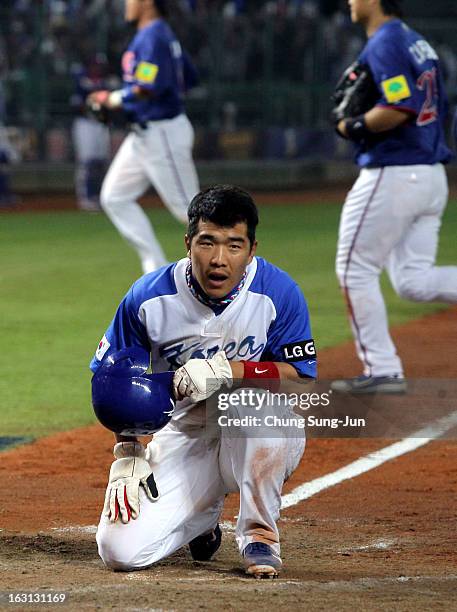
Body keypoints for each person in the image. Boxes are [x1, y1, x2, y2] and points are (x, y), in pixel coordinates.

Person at [90, 185, 317, 578]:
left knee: (253, 406)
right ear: (188, 243)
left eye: (233, 246)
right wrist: (127, 449)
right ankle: (202, 518)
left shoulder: (279, 293)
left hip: (257, 427)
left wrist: (233, 370)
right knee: (119, 551)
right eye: (207, 243)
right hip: (186, 432)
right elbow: (114, 381)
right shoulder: (148, 298)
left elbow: (301, 380)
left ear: (252, 249)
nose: (218, 260)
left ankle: (259, 535)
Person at [331, 0, 457, 394]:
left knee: (354, 270)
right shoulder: (418, 42)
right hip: (431, 174)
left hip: (395, 172)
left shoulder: (385, 41)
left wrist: (351, 124)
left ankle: (383, 370)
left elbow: (398, 106)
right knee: (413, 281)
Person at [87, 0, 200, 274]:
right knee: (115, 197)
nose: (126, 3)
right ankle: (156, 270)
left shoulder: (153, 36)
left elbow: (146, 87)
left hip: (162, 133)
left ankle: (246, 273)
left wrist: (111, 98)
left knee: (194, 213)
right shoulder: (160, 34)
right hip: (144, 135)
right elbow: (189, 76)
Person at [70, 56, 118, 212]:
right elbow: (78, 106)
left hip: (101, 124)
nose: (98, 69)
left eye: (100, 66)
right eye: (95, 66)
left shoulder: (107, 83)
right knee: (87, 162)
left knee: (101, 162)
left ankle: (98, 195)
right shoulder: (82, 82)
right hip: (86, 124)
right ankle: (85, 196)